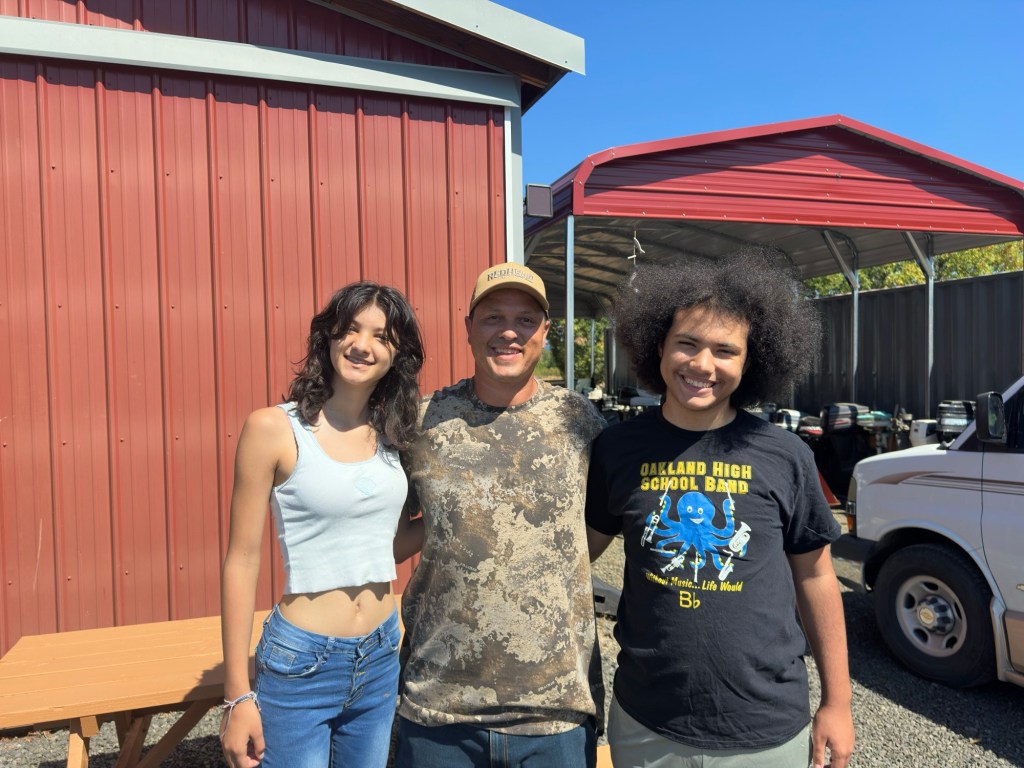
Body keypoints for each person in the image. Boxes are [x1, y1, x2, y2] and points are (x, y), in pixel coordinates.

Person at [586, 248, 855, 768]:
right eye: (687, 343)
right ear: (658, 346)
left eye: (725, 350)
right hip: (646, 723)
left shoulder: (785, 455)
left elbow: (817, 577)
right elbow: (578, 554)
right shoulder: (617, 449)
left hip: (766, 730)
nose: (702, 365)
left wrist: (837, 703)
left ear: (750, 362)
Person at [392, 263, 608, 768]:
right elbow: (390, 538)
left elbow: (600, 527)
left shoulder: (581, 422)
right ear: (468, 327)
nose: (508, 332)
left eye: (525, 320)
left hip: (555, 713)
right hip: (439, 709)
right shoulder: (424, 422)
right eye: (492, 318)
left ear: (545, 332)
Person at [220, 282, 424, 768]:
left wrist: (455, 518)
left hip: (380, 654)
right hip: (301, 661)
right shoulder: (273, 429)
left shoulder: (394, 437)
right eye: (351, 329)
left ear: (397, 355)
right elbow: (241, 561)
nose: (362, 345)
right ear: (328, 336)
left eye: (381, 336)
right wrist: (237, 695)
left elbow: (385, 548)